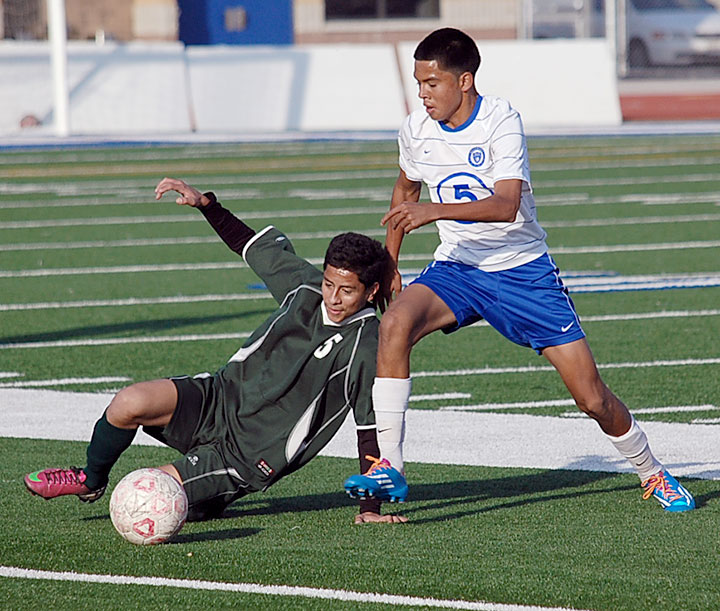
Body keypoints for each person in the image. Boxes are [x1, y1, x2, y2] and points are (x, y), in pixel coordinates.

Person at [344, 27, 694, 512]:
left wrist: (435, 212)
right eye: (418, 83)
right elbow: (406, 192)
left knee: (592, 399)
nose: (422, 94)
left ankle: (651, 472)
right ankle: (392, 467)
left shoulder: (500, 119)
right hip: (458, 268)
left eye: (432, 83)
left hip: (522, 272)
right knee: (396, 324)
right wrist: (393, 264)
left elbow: (507, 205)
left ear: (464, 81)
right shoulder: (415, 130)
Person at [25, 177, 407, 525]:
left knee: (143, 494)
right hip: (217, 400)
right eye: (329, 284)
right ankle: (90, 480)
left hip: (246, 455)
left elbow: (370, 426)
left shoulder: (369, 344)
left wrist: (369, 509)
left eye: (347, 291)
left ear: (371, 291)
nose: (334, 298)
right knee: (128, 402)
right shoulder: (304, 289)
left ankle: (208, 496)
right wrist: (206, 204)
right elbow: (252, 247)